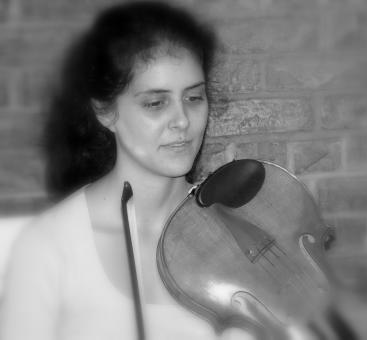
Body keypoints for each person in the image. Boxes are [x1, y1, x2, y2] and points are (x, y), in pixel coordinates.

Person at [0, 2, 254, 340]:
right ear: (105, 113)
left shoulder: (238, 230)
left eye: (194, 98)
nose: (182, 121)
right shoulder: (48, 248)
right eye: (155, 103)